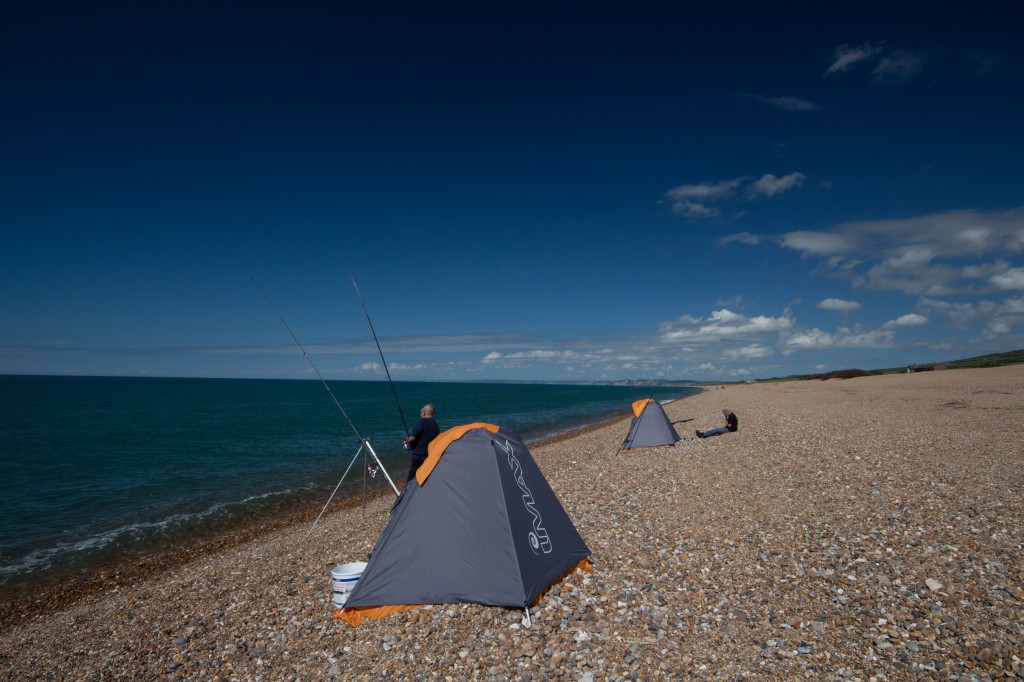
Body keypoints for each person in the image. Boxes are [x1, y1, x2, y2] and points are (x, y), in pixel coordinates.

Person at [403, 403, 440, 481]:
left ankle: (407, 492)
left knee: (411, 478)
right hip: (429, 455)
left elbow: (413, 437)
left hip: (418, 456)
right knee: (424, 477)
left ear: (424, 413)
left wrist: (407, 440)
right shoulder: (435, 424)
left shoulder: (422, 422)